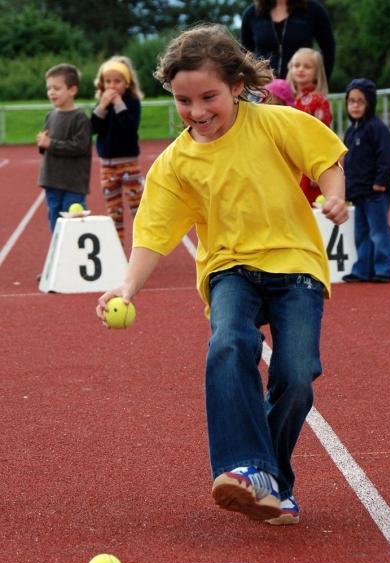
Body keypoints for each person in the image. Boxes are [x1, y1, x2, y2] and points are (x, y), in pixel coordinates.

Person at [96, 24, 348, 526]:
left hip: (295, 264)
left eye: (208, 96)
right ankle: (244, 466)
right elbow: (154, 234)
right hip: (229, 268)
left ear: (236, 84)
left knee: (296, 380)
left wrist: (333, 192)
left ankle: (270, 479)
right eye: (185, 101)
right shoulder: (175, 164)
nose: (197, 112)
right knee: (229, 343)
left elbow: (327, 157)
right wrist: (126, 285)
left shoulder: (275, 123)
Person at [342, 79, 390, 283]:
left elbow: (386, 154)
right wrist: (347, 191)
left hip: (376, 193)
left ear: (370, 104)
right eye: (351, 101)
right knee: (361, 234)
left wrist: (380, 181)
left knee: (379, 232)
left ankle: (387, 269)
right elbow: (349, 163)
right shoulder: (351, 131)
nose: (355, 106)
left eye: (360, 102)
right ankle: (363, 270)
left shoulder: (376, 128)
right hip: (359, 193)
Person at [91, 56, 144, 244]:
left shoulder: (132, 103)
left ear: (127, 83)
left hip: (129, 164)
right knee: (114, 211)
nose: (112, 86)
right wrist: (103, 106)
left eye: (117, 81)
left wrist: (119, 104)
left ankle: (142, 248)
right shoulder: (100, 105)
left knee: (137, 209)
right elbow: (92, 129)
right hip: (107, 167)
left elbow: (128, 127)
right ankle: (117, 249)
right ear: (102, 84)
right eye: (108, 81)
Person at [37, 63, 92, 233]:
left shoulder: (80, 117)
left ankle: (75, 258)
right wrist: (42, 144)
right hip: (51, 180)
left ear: (72, 90)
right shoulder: (50, 115)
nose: (51, 92)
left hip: (73, 183)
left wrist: (50, 143)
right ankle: (59, 256)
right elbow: (47, 147)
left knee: (74, 225)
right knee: (55, 223)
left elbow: (80, 147)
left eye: (56, 88)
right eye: (49, 88)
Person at [241, 0, 335, 81]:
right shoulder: (252, 13)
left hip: (301, 87)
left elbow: (328, 49)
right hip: (263, 89)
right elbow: (244, 54)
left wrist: (321, 82)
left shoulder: (313, 9)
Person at [287, 47, 332, 204]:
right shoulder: (288, 100)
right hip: (290, 164)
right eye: (296, 65)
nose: (300, 69)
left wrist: (317, 170)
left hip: (308, 165)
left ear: (317, 72)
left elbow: (322, 138)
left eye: (307, 66)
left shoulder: (319, 101)